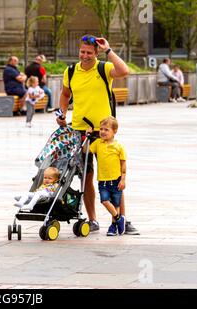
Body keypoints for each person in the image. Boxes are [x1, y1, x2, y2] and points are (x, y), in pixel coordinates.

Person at [56, 34, 139, 235]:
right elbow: (66, 95)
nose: (85, 56)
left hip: (104, 132)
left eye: (89, 53)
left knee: (113, 176)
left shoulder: (104, 68)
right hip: (80, 131)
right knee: (86, 177)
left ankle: (121, 220)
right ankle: (92, 220)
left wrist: (108, 50)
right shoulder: (71, 71)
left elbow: (124, 70)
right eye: (82, 52)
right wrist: (62, 112)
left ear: (96, 53)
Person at [87, 116, 126, 236]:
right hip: (103, 180)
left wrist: (123, 179)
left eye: (106, 129)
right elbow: (86, 151)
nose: (103, 132)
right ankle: (119, 218)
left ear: (114, 131)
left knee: (116, 203)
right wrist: (88, 136)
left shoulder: (118, 146)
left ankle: (113, 227)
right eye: (101, 129)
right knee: (104, 200)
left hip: (116, 180)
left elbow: (123, 165)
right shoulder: (98, 143)